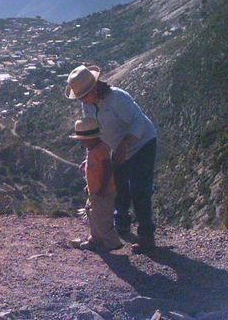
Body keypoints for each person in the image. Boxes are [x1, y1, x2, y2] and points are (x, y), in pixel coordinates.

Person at [65, 65, 158, 254]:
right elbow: (94, 133)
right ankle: (121, 226)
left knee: (139, 189)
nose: (82, 100)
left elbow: (138, 122)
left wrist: (124, 145)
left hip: (142, 144)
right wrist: (92, 158)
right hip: (117, 148)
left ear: (94, 88)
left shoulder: (117, 98)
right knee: (118, 187)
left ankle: (146, 237)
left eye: (83, 96)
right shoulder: (88, 106)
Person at [68, 117, 123, 252]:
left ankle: (112, 243)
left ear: (90, 138)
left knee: (102, 218)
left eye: (81, 139)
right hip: (95, 191)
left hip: (104, 192)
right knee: (92, 214)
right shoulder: (92, 149)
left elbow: (108, 168)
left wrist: (104, 188)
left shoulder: (101, 149)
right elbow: (94, 168)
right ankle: (95, 239)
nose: (80, 142)